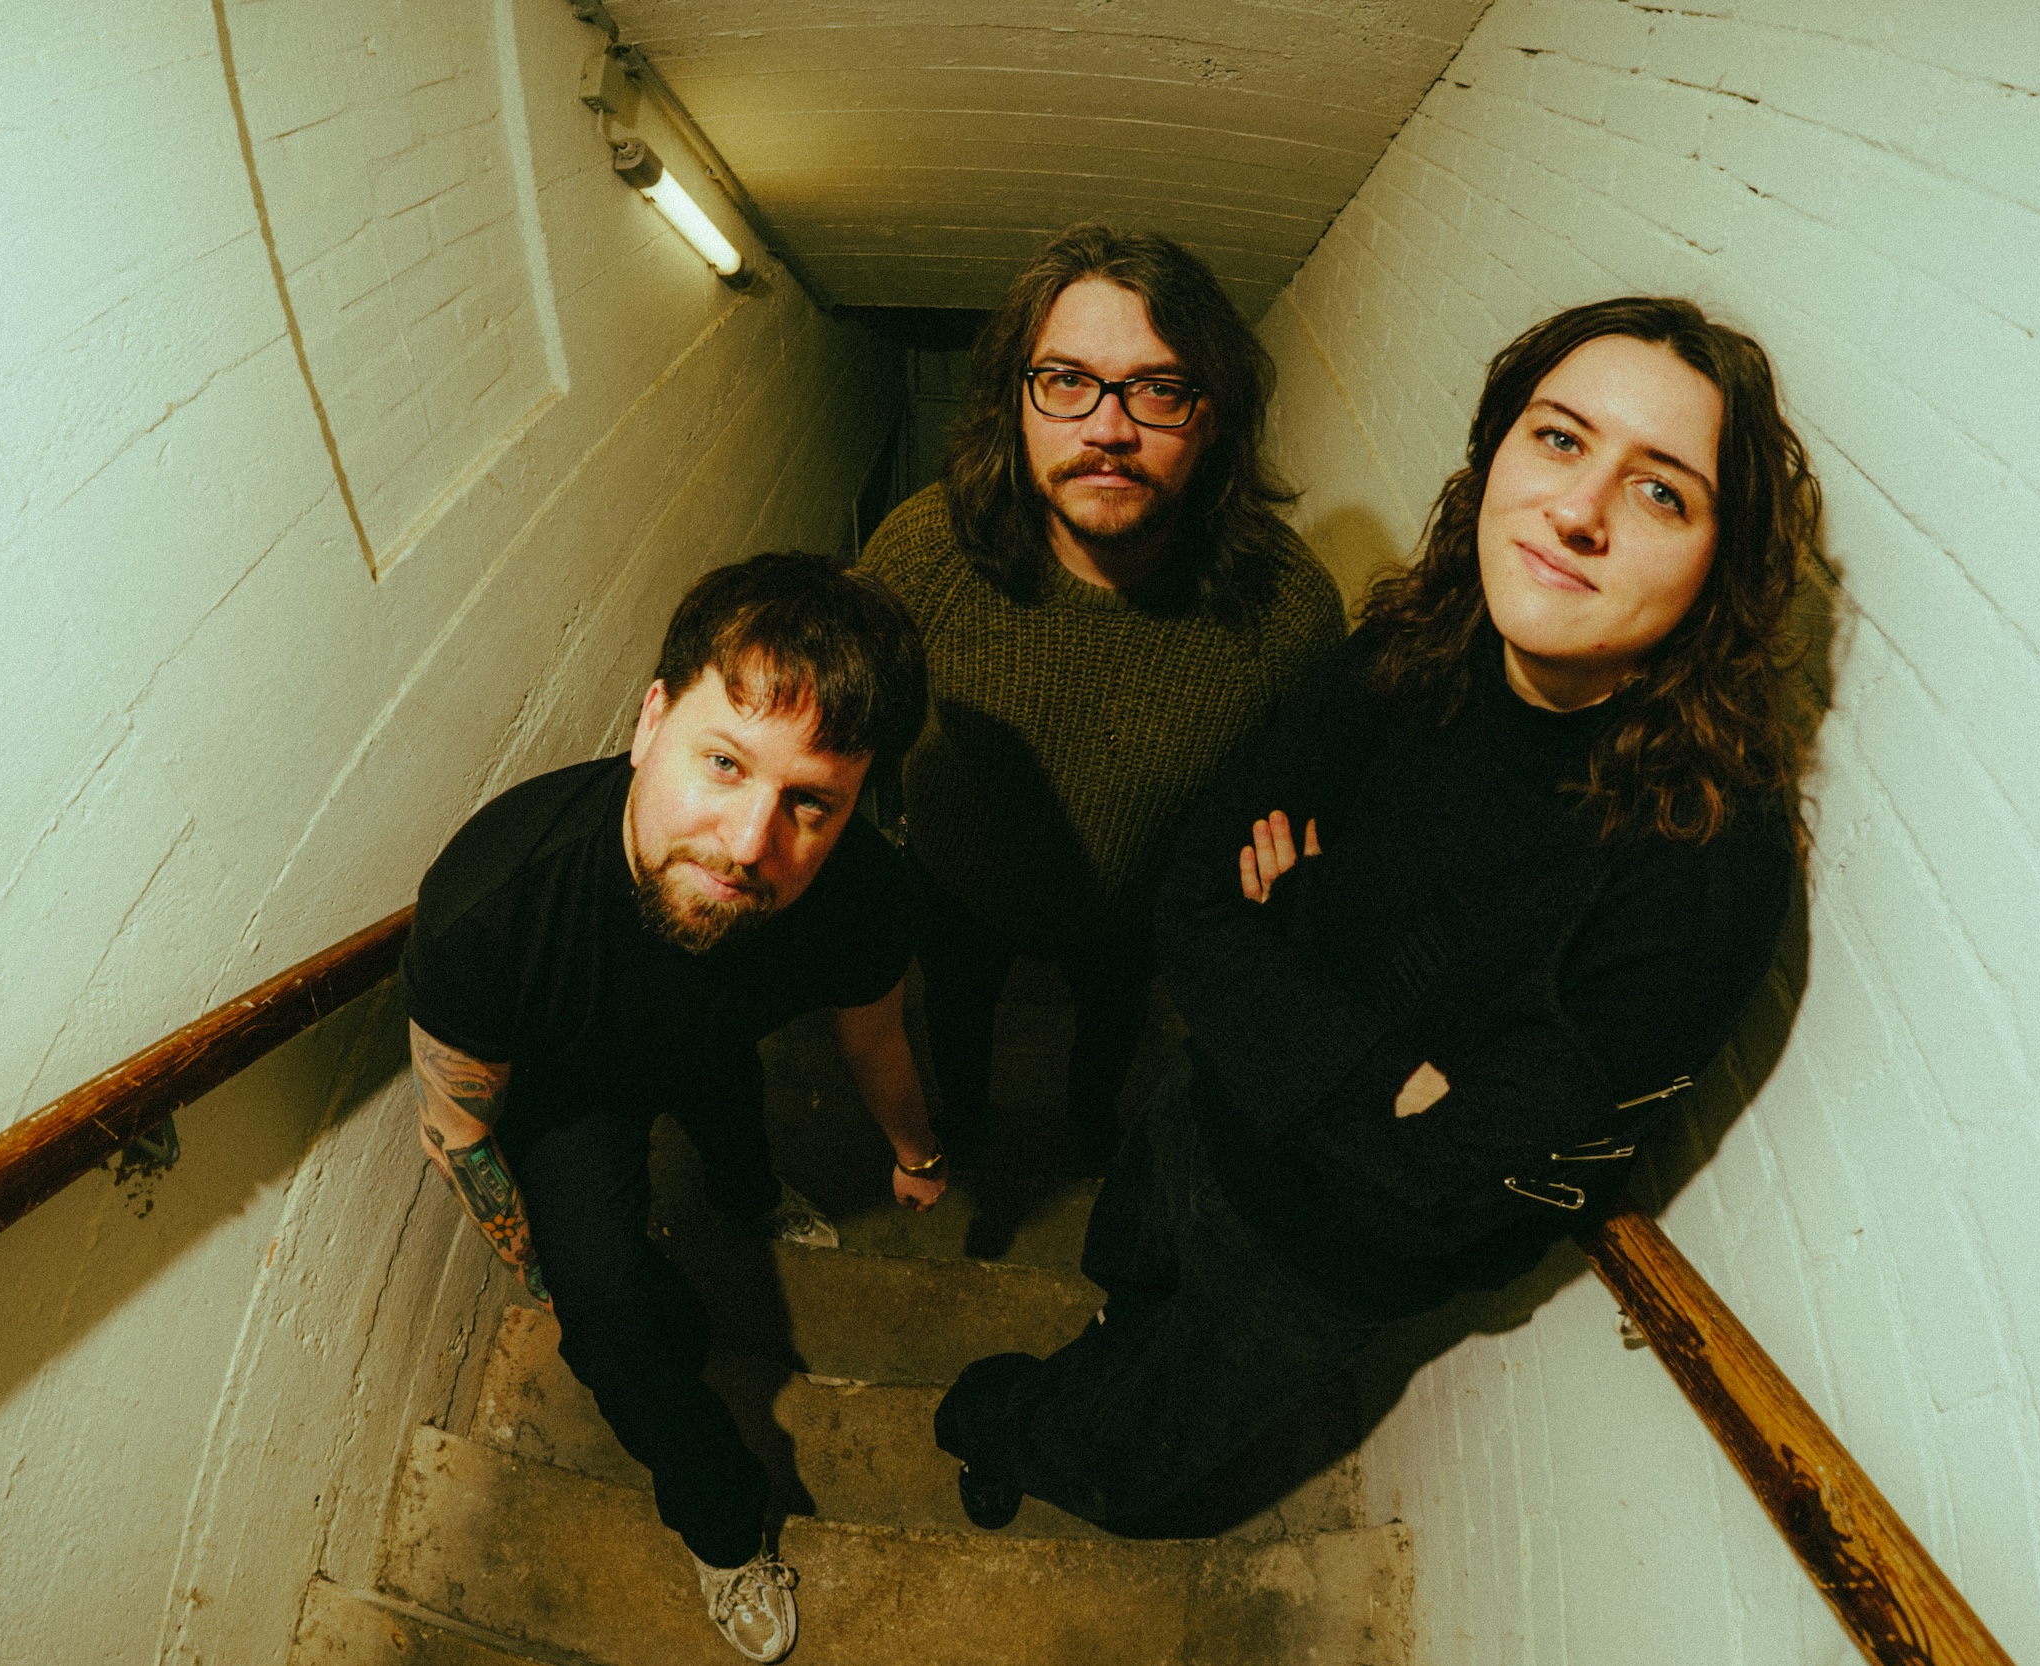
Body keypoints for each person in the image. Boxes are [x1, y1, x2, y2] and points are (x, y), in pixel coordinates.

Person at [934, 296, 1819, 1533]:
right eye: (1559, 438)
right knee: (1131, 1269)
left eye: (1661, 490)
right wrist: (1390, 1069)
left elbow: (1435, 1188)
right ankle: (1113, 1332)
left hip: (1312, 1264)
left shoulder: (1703, 864)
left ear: (1721, 564)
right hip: (1201, 1108)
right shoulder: (1415, 647)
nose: (1579, 511)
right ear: (1496, 452)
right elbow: (1192, 898)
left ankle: (986, 1421)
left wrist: (1282, 938)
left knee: (1130, 1474)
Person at [401, 553, 942, 1662]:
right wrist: (559, 1274)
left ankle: (750, 1194)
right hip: (575, 1089)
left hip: (718, 1040)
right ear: (652, 720)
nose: (748, 843)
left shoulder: (862, 893)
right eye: (724, 763)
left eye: (809, 802)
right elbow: (457, 1131)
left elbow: (872, 1034)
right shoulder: (494, 909)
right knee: (615, 1331)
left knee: (731, 1108)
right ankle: (724, 1527)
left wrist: (915, 1152)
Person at [859, 224, 1345, 1177]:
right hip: (955, 888)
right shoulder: (924, 555)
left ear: (1214, 417)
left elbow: (1305, 789)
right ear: (1015, 402)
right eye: (1066, 380)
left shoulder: (1286, 610)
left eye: (1159, 389)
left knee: (1110, 1044)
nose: (1109, 428)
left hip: (1135, 915)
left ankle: (1091, 1137)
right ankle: (966, 1126)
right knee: (956, 1022)